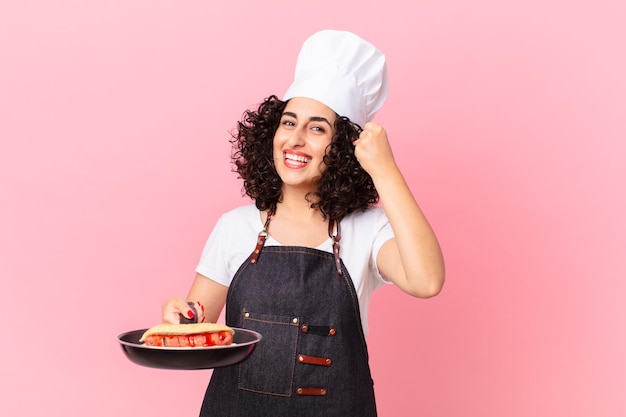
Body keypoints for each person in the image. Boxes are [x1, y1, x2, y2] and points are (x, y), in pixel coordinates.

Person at [161, 30, 445, 417]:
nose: (294, 140)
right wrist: (183, 317)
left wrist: (386, 170)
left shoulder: (366, 229)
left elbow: (427, 281)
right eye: (288, 122)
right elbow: (199, 328)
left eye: (316, 128)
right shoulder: (234, 227)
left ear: (344, 147)